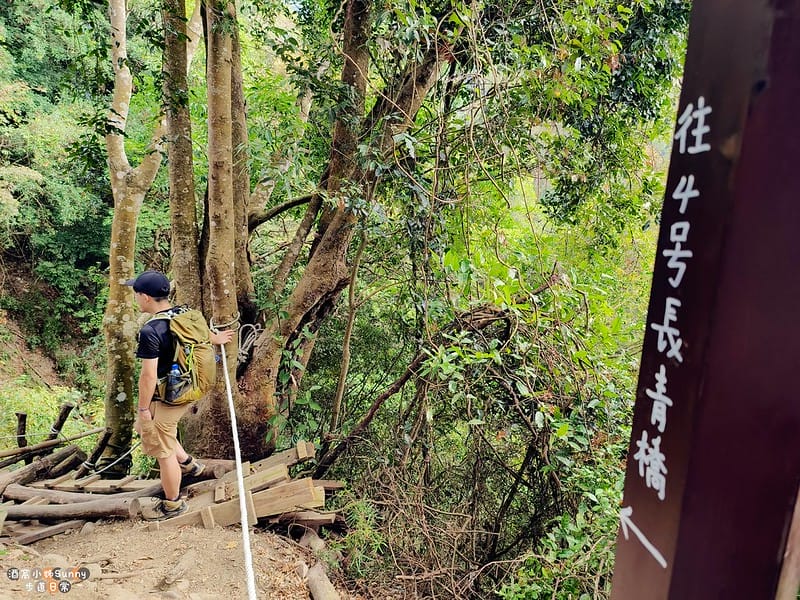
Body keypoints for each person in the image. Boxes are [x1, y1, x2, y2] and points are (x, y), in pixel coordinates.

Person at [124, 270, 234, 520]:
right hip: (190, 387)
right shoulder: (185, 314)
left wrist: (143, 411)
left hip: (169, 395)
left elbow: (148, 377)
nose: (136, 300)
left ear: (145, 298)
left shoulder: (150, 331)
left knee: (162, 450)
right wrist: (216, 338)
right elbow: (201, 335)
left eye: (136, 295)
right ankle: (189, 464)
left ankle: (173, 504)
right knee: (145, 431)